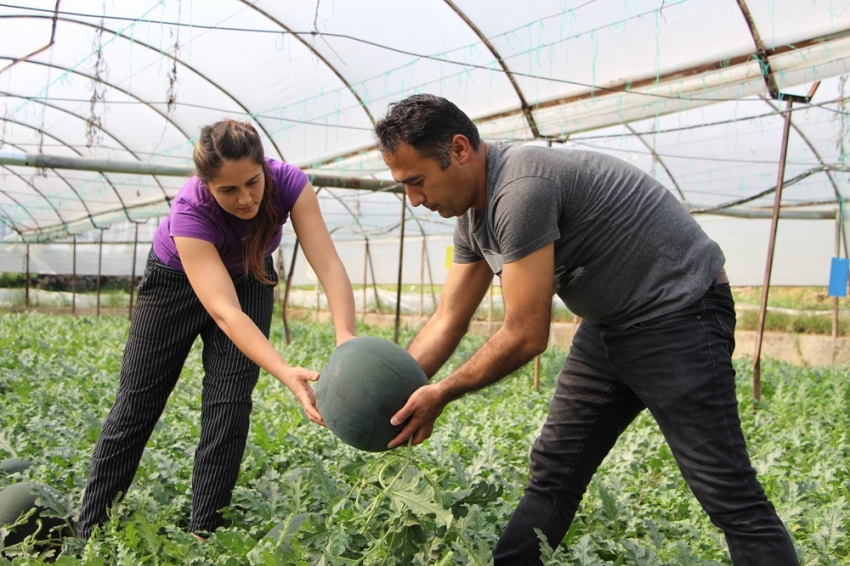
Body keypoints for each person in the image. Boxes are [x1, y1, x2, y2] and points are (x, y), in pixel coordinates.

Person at [375, 94, 797, 565]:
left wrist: (443, 392)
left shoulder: (521, 188)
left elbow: (526, 333)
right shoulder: (473, 217)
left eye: (417, 182)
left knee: (726, 490)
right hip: (609, 324)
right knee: (554, 471)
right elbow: (448, 317)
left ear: (458, 150)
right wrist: (396, 394)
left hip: (680, 315)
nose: (414, 200)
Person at [77, 119, 355, 540]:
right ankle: (90, 531)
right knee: (138, 402)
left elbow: (328, 263)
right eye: (228, 190)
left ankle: (204, 533)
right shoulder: (189, 213)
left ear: (264, 167)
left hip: (251, 274)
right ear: (206, 185)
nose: (245, 198)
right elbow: (226, 313)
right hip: (175, 284)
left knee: (230, 402)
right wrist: (285, 373)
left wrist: (346, 337)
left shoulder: (290, 184)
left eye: (252, 182)